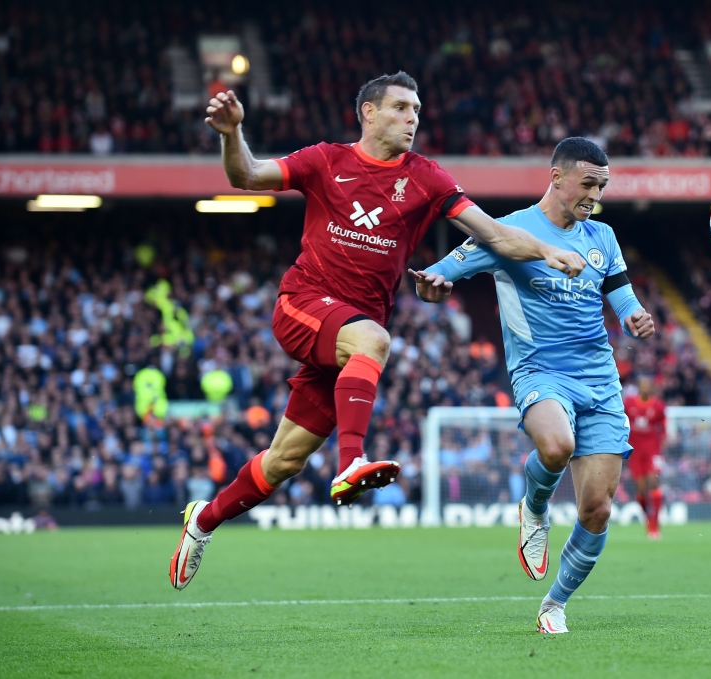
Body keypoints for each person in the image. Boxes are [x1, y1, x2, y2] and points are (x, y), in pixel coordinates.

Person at [170, 71, 587, 591]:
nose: (412, 119)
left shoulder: (428, 178)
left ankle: (202, 521)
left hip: (346, 339)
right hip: (304, 305)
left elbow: (495, 233)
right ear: (369, 113)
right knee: (375, 340)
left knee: (284, 461)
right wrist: (231, 134)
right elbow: (247, 176)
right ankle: (352, 463)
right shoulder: (325, 160)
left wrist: (546, 249)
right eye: (400, 108)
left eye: (416, 110)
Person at [414, 137, 655, 634]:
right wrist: (431, 286)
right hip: (540, 370)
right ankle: (535, 507)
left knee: (598, 507)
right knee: (557, 445)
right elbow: (439, 274)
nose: (595, 195)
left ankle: (554, 604)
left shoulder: (602, 236)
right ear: (557, 177)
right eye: (588, 184)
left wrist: (635, 317)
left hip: (600, 379)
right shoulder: (508, 233)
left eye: (602, 186)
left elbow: (623, 297)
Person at [624, 375, 666, 540]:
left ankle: (655, 526)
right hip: (635, 451)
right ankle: (648, 519)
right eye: (643, 385)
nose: (645, 387)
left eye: (648, 385)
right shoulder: (629, 403)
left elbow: (663, 425)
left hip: (652, 450)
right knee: (641, 489)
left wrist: (664, 438)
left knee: (654, 482)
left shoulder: (658, 406)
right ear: (639, 387)